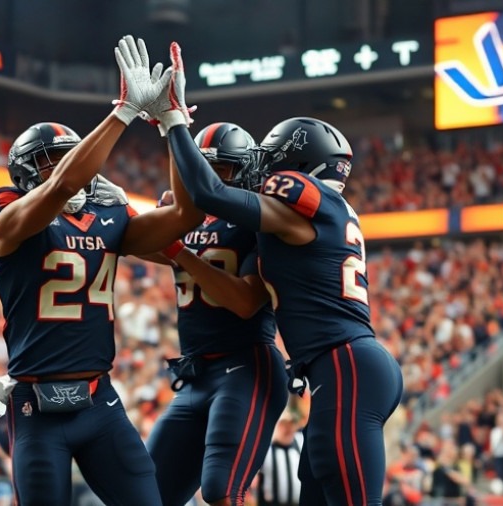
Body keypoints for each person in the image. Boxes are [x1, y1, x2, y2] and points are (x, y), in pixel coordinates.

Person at [142, 41, 404, 505]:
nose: (262, 168)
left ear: (296, 166)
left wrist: (174, 120)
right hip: (338, 368)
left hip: (344, 364)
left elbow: (207, 194)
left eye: (272, 157)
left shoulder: (302, 195)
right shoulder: (310, 216)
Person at [0, 36, 203, 505]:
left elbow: (185, 216)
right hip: (36, 403)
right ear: (23, 173)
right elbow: (61, 186)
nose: (62, 167)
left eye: (69, 155)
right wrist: (122, 111)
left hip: (99, 399)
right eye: (49, 160)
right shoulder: (4, 208)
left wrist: (171, 122)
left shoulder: (109, 213)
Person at [145, 122, 287, 505]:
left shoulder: (261, 221)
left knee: (222, 491)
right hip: (197, 375)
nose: (207, 177)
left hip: (246, 367)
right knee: (143, 494)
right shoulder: (186, 218)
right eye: (201, 167)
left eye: (219, 169)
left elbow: (245, 302)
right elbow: (129, 242)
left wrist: (177, 250)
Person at [256, 411, 304, 506]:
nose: (288, 429)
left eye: (291, 424)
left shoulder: (300, 442)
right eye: (284, 425)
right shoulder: (265, 448)